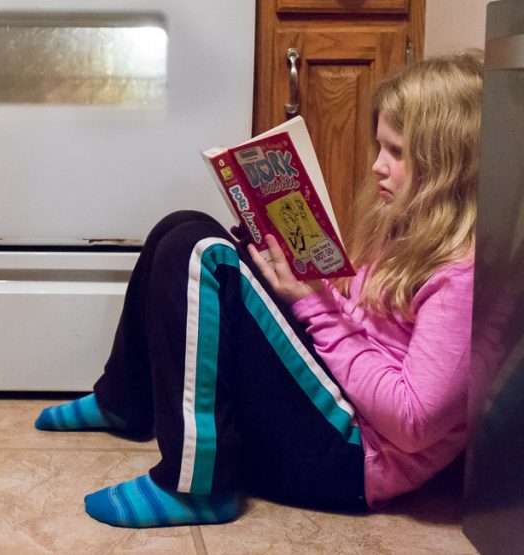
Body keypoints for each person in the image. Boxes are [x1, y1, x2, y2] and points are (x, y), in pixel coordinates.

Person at [34, 53, 483, 528]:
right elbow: (368, 325)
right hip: (340, 409)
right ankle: (125, 401)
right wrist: (305, 279)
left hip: (353, 459)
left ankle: (197, 489)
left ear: (446, 166)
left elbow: (412, 421)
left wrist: (315, 307)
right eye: (380, 148)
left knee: (203, 253)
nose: (377, 167)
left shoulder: (463, 278)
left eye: (396, 152)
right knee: (183, 227)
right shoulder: (414, 235)